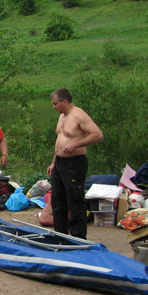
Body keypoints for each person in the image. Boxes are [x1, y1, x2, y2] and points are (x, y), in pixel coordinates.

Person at [47, 88, 104, 239]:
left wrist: (76, 145)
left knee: (75, 200)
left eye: (55, 104)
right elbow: (60, 139)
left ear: (64, 101)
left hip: (74, 163)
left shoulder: (78, 115)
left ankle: (78, 237)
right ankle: (60, 235)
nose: (53, 107)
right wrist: (54, 162)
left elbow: (97, 134)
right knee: (57, 201)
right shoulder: (62, 116)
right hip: (60, 162)